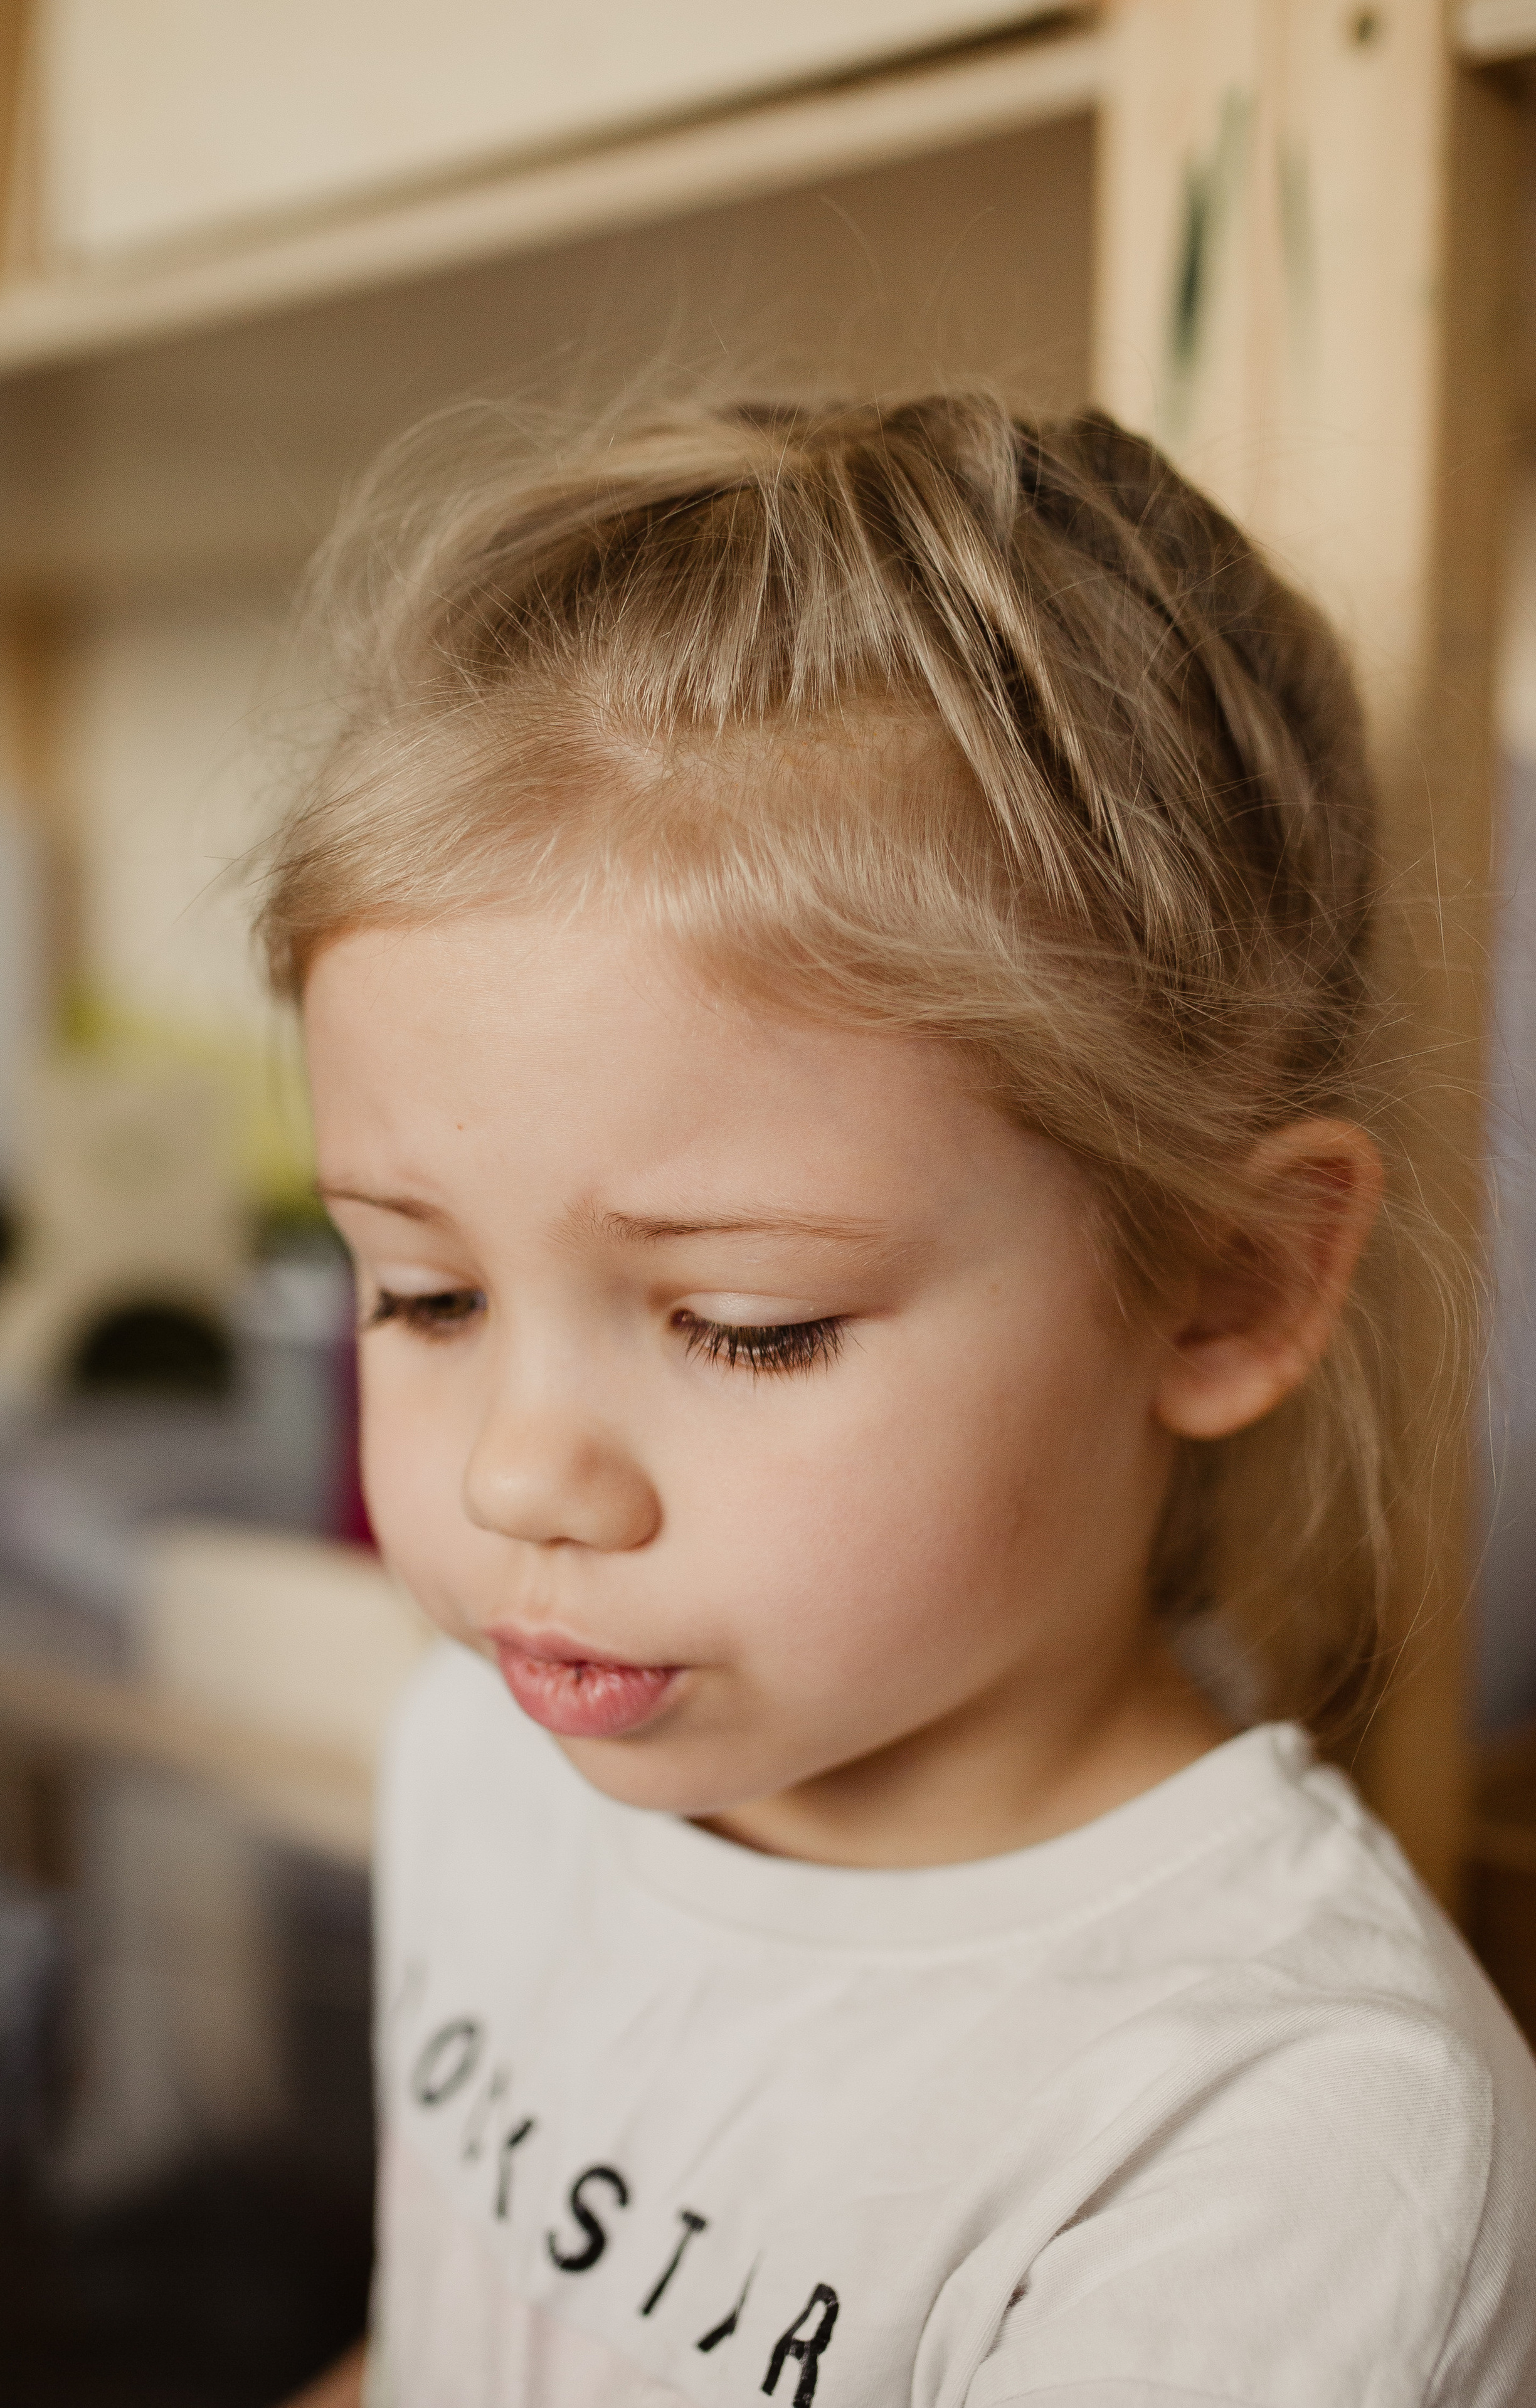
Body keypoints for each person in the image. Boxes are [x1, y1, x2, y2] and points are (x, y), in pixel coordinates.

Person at [265, 392, 1536, 2408]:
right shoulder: (493, 1755)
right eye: (425, 1294)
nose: (516, 1478)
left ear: (1225, 1284)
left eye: (746, 1325)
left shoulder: (1272, 2142)